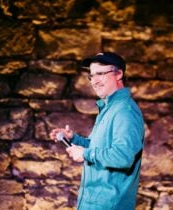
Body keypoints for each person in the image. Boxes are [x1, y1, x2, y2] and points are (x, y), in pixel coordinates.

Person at [50, 52, 145, 210]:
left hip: (109, 205)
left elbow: (122, 156)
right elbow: (98, 146)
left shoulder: (125, 110)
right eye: (92, 76)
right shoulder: (109, 108)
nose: (94, 81)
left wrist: (85, 154)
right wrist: (74, 139)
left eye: (100, 74)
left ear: (119, 73)